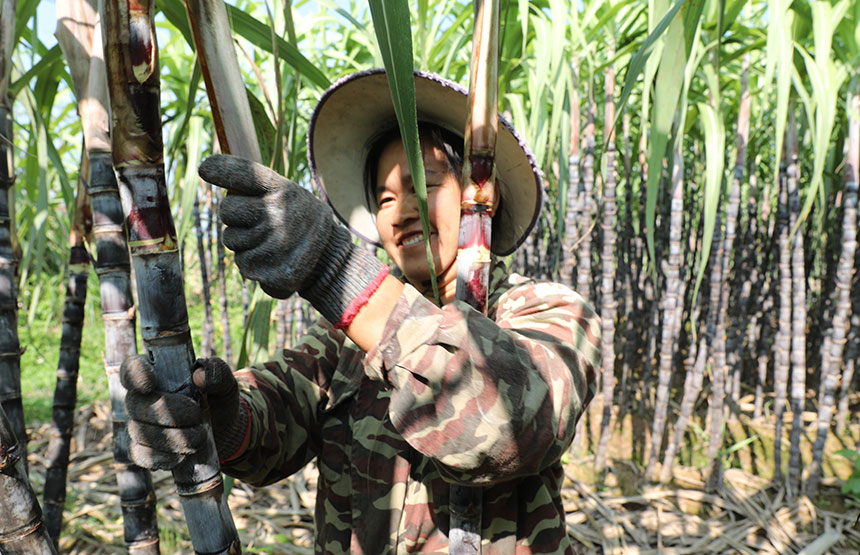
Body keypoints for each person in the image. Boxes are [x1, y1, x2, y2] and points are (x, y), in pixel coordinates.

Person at [121, 69, 601, 553]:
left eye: (424, 186)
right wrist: (210, 414)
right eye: (386, 198)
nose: (401, 211)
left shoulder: (548, 313)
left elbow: (507, 426)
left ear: (482, 194)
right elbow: (275, 408)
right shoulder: (341, 347)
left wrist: (336, 273)